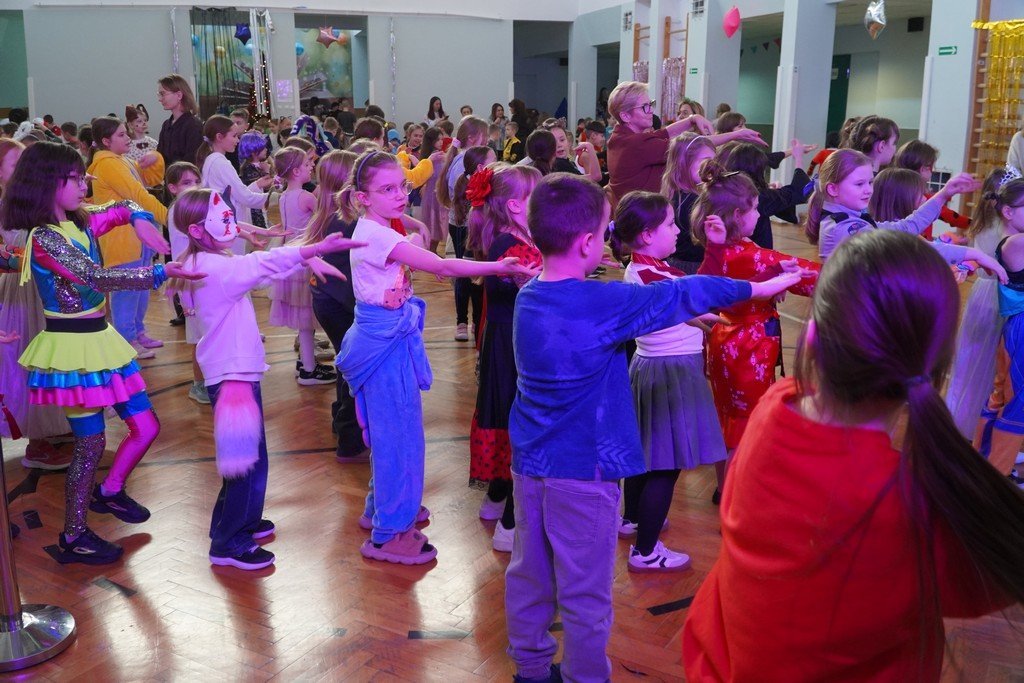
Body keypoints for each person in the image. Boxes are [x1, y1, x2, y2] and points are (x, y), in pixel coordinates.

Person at [683, 229, 1024, 681]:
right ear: (936, 366)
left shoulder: (774, 407)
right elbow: (992, 583)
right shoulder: (908, 504)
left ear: (812, 339)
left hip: (722, 661)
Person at [504, 172, 800, 682]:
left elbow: (677, 293)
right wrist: (760, 286)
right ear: (587, 243)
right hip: (583, 473)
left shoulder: (530, 294)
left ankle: (530, 671)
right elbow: (685, 293)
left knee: (530, 576)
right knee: (585, 592)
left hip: (530, 466)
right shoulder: (602, 303)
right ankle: (585, 676)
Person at [2, 141, 202, 564]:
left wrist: (141, 218)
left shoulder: (81, 219)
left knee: (146, 426)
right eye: (75, 179)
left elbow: (124, 206)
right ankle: (73, 534)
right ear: (47, 182)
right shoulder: (44, 238)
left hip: (101, 341)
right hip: (73, 353)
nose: (84, 185)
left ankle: (109, 491)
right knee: (90, 445)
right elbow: (94, 277)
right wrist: (160, 271)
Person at [334, 150, 535, 565]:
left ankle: (381, 507)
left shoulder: (377, 226)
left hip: (385, 337)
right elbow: (442, 266)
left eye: (402, 186)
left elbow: (408, 241)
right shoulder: (378, 235)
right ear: (363, 197)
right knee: (398, 438)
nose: (399, 195)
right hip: (383, 344)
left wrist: (415, 227)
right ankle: (390, 534)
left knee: (393, 432)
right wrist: (498, 267)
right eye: (387, 189)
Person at [172, 187, 361, 570]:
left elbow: (261, 271)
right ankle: (229, 543)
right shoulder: (216, 269)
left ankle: (235, 521)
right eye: (223, 217)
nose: (230, 222)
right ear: (196, 229)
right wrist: (312, 250)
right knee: (247, 463)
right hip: (233, 378)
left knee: (244, 458)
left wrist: (305, 260)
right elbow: (260, 264)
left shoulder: (206, 261)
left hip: (231, 372)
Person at [608, 190, 727, 571]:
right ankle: (645, 551)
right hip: (672, 371)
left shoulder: (642, 268)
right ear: (646, 234)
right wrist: (717, 248)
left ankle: (633, 519)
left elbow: (680, 302)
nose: (678, 231)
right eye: (671, 224)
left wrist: (692, 316)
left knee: (646, 456)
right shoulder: (654, 274)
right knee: (665, 465)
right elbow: (701, 291)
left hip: (649, 366)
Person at [694, 163, 821, 461]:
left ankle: (728, 481)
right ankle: (739, 480)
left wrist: (775, 276)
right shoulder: (748, 255)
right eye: (755, 208)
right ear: (738, 215)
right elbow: (813, 276)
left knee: (730, 422)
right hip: (747, 346)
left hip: (727, 340)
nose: (759, 213)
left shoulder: (724, 249)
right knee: (746, 426)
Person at [464, 163, 543, 552]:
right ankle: (510, 525)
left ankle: (496, 500)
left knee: (508, 411)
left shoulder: (516, 236)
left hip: (509, 338)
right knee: (517, 417)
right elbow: (543, 283)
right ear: (515, 205)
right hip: (513, 343)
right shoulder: (511, 245)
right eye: (537, 195)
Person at [0, 139, 72, 470]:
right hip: (24, 291)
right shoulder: (10, 206)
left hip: (46, 287)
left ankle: (57, 424)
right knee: (31, 360)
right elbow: (16, 249)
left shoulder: (37, 201)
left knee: (58, 357)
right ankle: (38, 440)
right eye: (15, 165)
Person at [805, 149, 990, 261]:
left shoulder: (852, 220)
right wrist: (974, 254)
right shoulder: (846, 228)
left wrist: (944, 194)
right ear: (833, 189)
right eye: (859, 184)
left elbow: (905, 227)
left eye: (870, 182)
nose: (868, 190)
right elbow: (910, 239)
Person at [605, 81, 761, 209]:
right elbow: (694, 145)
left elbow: (664, 132)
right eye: (645, 107)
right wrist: (737, 135)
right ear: (625, 116)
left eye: (650, 104)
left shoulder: (620, 137)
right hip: (645, 214)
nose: (651, 111)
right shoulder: (635, 144)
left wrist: (692, 119)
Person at [87, 116, 170, 358]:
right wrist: (170, 218)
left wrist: (156, 158)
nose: (128, 138)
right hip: (121, 238)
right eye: (121, 135)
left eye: (126, 133)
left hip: (137, 235)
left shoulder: (121, 160)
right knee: (127, 289)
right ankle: (126, 339)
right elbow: (137, 194)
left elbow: (149, 180)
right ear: (106, 141)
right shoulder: (108, 164)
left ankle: (137, 331)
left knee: (141, 287)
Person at [304, 150, 367, 463]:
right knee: (353, 366)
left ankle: (340, 419)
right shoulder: (345, 220)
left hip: (327, 300)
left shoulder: (326, 212)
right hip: (339, 302)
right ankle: (349, 438)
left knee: (345, 361)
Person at [946, 168, 1015, 438]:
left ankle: (961, 421)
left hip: (981, 296)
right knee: (993, 365)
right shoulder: (1006, 228)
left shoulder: (981, 221)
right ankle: (982, 429)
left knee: (971, 361)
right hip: (1000, 296)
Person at [268, 146, 336, 385]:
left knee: (303, 318)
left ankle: (305, 361)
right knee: (307, 318)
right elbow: (325, 219)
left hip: (291, 259)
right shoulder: (306, 197)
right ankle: (308, 369)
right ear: (296, 171)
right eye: (307, 164)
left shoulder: (284, 196)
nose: (311, 167)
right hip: (305, 261)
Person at [983, 178, 1024, 481]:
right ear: (1008, 212)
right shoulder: (1015, 242)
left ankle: (988, 463)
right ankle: (995, 473)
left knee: (1004, 395)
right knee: (1017, 401)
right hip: (1021, 327)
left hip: (1017, 327)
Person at [437, 116, 490, 341]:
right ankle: (465, 321)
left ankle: (469, 321)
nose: (487, 140)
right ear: (473, 137)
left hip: (462, 222)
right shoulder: (464, 161)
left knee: (467, 273)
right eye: (484, 136)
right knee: (467, 274)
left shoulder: (461, 157)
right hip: (464, 223)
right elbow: (461, 196)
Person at [165, 161, 212, 405]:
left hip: (198, 276)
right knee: (198, 336)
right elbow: (183, 253)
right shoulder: (179, 211)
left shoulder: (190, 207)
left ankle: (209, 379)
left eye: (196, 181)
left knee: (206, 332)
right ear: (172, 188)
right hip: (188, 280)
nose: (193, 186)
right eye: (186, 182)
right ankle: (198, 384)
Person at [198, 115, 273, 254]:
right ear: (219, 137)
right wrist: (273, 198)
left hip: (221, 222)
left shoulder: (211, 160)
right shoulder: (220, 163)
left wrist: (257, 185)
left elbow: (235, 193)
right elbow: (244, 197)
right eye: (234, 136)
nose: (237, 141)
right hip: (227, 224)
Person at [718, 139, 810, 249]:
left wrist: (769, 187)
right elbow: (798, 190)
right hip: (754, 253)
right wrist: (799, 159)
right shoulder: (757, 197)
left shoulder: (723, 190)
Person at [893, 139, 971, 239]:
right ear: (924, 169)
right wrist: (974, 224)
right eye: (932, 166)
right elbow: (952, 217)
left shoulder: (893, 191)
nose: (933, 170)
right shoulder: (923, 199)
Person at [156, 74, 203, 168]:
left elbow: (191, 162)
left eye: (163, 94)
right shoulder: (166, 125)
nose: (160, 99)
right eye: (159, 94)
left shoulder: (193, 125)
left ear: (179, 95)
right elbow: (161, 156)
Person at [416, 128, 448, 253]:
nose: (441, 142)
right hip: (432, 196)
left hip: (437, 195)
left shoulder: (437, 155)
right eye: (437, 139)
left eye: (441, 139)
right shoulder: (432, 157)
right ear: (431, 141)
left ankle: (432, 252)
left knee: (437, 226)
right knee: (433, 225)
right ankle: (431, 252)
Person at [237, 131, 271, 229]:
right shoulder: (249, 168)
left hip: (259, 205)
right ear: (254, 152)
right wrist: (267, 171)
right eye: (263, 148)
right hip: (254, 209)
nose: (266, 150)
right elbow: (265, 185)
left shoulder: (256, 166)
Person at [124, 104, 164, 188]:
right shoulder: (127, 145)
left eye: (145, 120)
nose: (144, 123)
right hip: (136, 182)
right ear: (130, 125)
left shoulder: (153, 142)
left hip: (154, 182)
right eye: (139, 121)